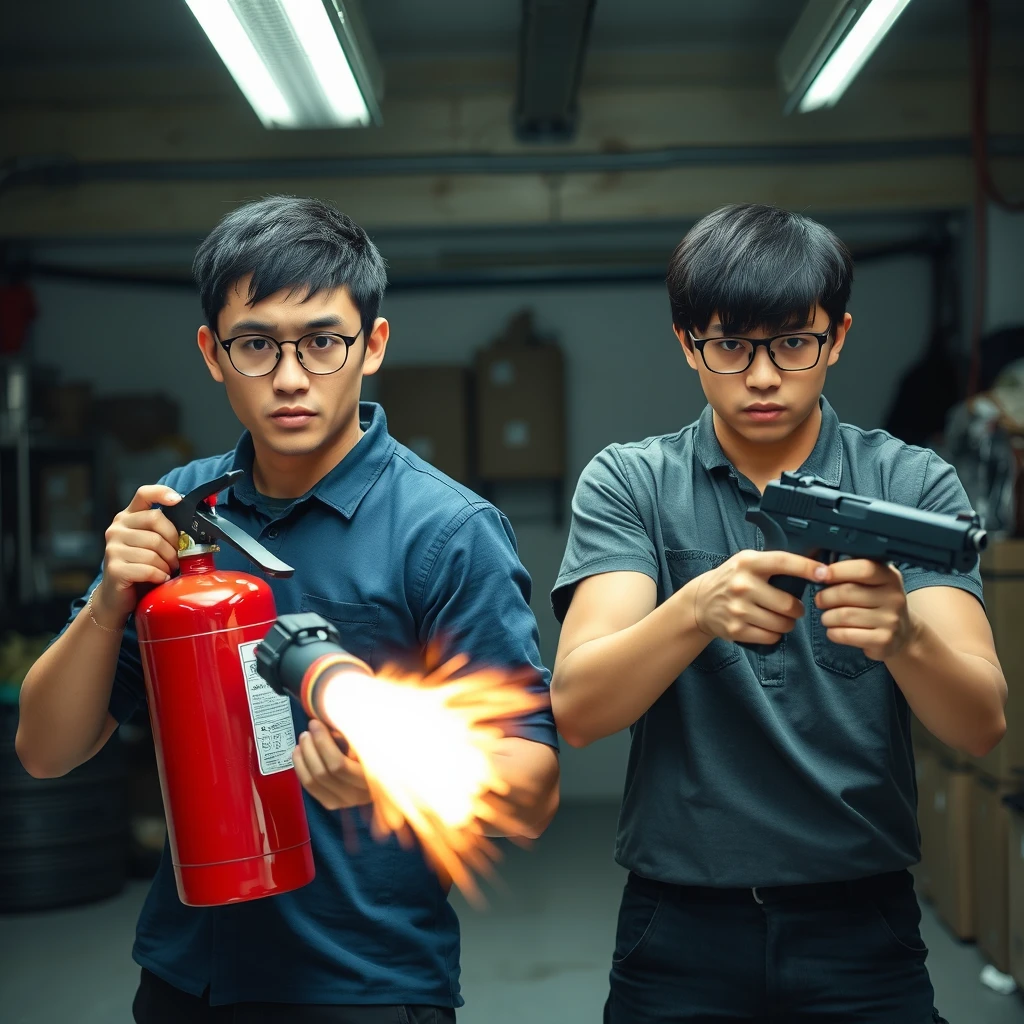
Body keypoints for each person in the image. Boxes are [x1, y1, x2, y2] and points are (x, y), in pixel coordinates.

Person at [16, 195, 560, 1023]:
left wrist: (392, 770)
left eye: (322, 341)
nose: (292, 376)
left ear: (371, 345)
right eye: (257, 344)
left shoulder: (445, 532)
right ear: (213, 352)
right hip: (186, 975)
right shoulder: (178, 513)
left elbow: (532, 794)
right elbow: (46, 752)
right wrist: (107, 602)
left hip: (363, 987)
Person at [549, 203, 1007, 1023]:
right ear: (688, 343)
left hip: (862, 925)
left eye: (794, 343)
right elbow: (580, 709)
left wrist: (905, 636)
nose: (763, 376)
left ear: (837, 337)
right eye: (730, 345)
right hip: (679, 924)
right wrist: (692, 611)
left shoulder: (911, 484)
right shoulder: (633, 484)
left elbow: (981, 726)